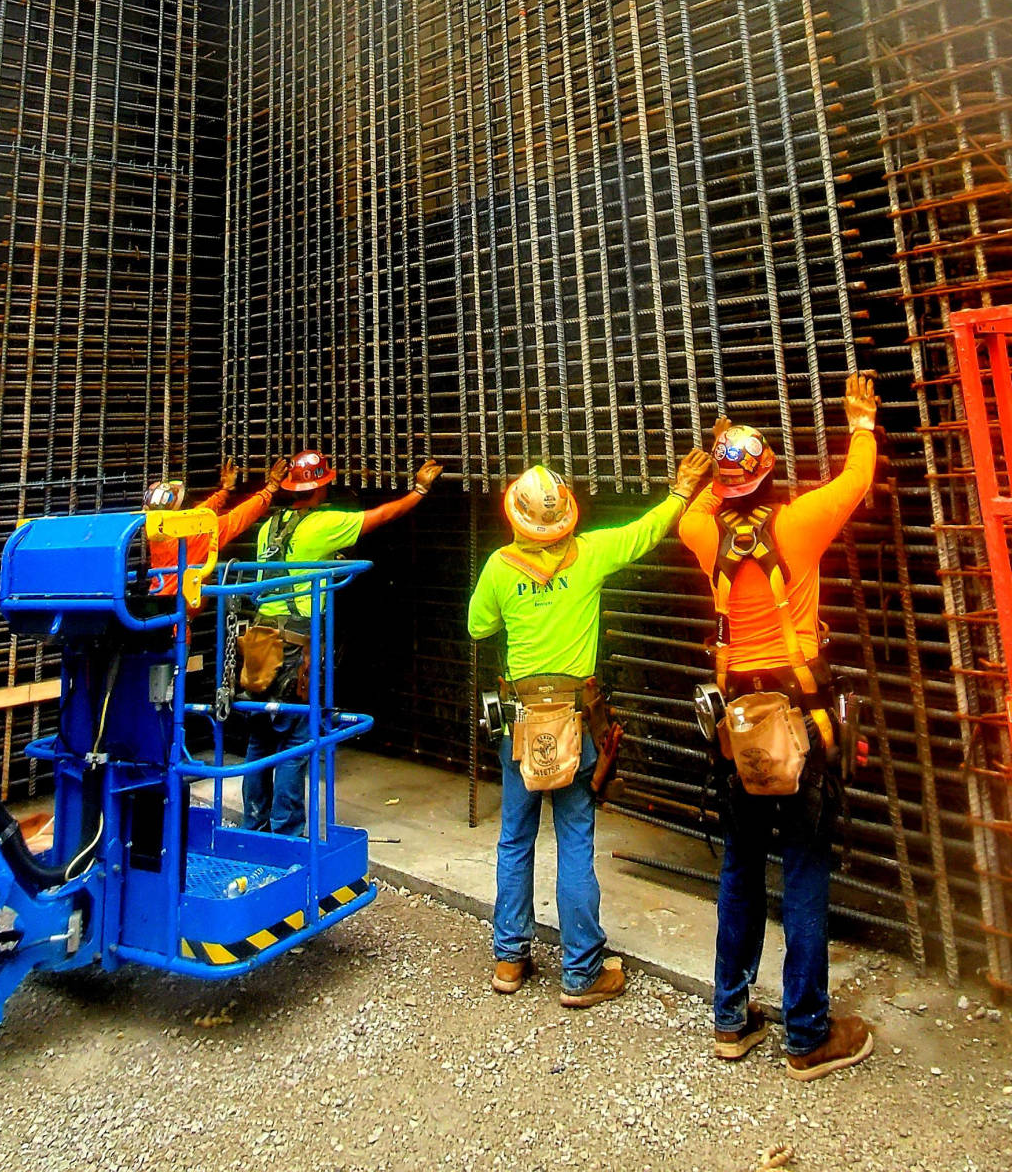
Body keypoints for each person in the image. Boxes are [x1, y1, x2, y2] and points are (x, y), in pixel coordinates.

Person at [677, 372, 880, 1080]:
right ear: (769, 477)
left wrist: (712, 458)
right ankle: (807, 1033)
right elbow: (857, 480)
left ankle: (731, 1019)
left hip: (740, 729)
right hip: (801, 721)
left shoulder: (701, 532)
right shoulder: (798, 524)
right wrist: (859, 420)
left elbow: (696, 505)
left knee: (739, 867)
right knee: (802, 871)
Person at [468, 448, 715, 1008]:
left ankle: (510, 957)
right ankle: (581, 972)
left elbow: (478, 627)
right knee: (575, 839)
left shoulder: (500, 567)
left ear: (516, 517)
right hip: (575, 720)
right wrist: (680, 489)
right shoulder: (593, 553)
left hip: (521, 722)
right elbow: (647, 529)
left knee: (514, 839)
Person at [240, 448, 442, 836]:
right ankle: (287, 832)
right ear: (321, 487)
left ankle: (254, 825)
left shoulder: (271, 524)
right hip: (293, 644)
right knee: (296, 741)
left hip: (259, 638)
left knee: (260, 736)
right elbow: (382, 516)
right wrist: (418, 491)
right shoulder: (325, 524)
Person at [144, 460, 280, 598]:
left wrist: (225, 491)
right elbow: (236, 519)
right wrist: (269, 490)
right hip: (176, 608)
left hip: (159, 597)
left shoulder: (158, 529)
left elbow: (199, 513)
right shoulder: (193, 535)